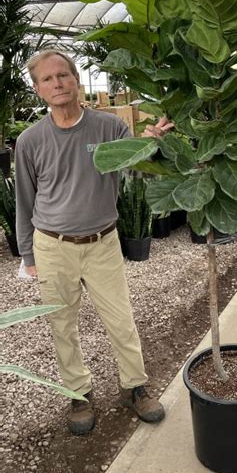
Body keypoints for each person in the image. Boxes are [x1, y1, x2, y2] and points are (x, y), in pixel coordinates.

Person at [15, 49, 173, 435]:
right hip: (53, 245)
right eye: (48, 79)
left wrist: (149, 142)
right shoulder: (30, 140)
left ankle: (134, 386)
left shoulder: (109, 127)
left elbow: (135, 161)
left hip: (102, 242)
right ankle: (78, 394)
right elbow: (24, 199)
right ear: (38, 90)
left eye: (63, 75)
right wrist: (28, 253)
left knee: (121, 319)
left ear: (76, 79)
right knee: (62, 325)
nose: (58, 84)